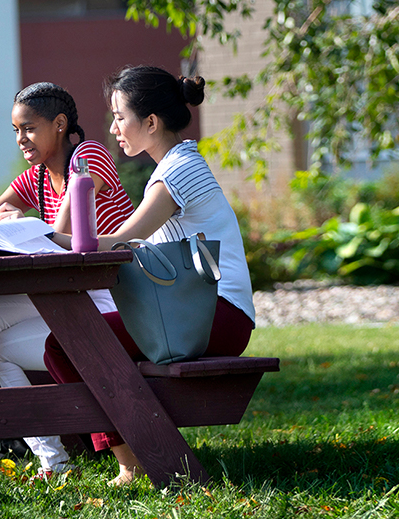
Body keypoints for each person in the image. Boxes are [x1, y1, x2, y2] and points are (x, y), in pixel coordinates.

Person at [44, 65, 256, 487]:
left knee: (69, 343)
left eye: (120, 116)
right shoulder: (174, 166)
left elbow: (124, 240)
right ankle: (137, 445)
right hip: (196, 313)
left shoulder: (177, 171)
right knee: (70, 342)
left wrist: (45, 238)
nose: (113, 127)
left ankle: (132, 455)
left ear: (152, 122)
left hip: (216, 316)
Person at [0, 82, 134, 481]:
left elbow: (64, 236)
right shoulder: (35, 178)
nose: (21, 139)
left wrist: (26, 227)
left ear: (59, 124)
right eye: (16, 130)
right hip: (69, 297)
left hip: (114, 304)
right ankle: (49, 462)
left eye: (29, 128)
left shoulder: (88, 158)